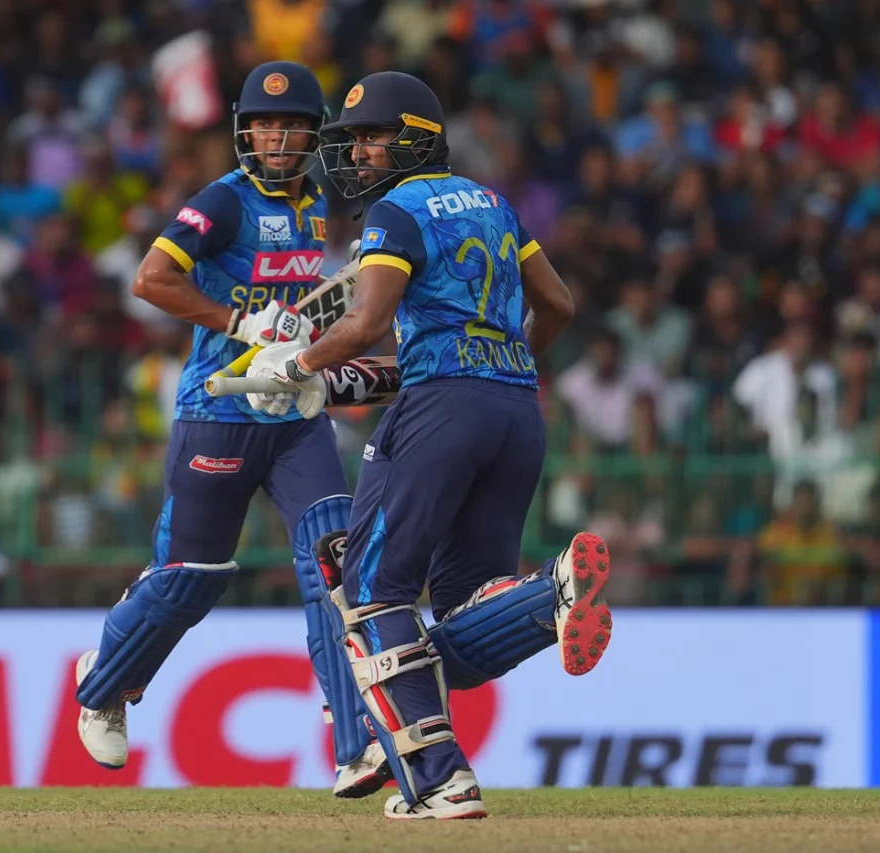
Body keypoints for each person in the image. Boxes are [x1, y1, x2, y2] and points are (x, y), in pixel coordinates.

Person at [248, 71, 614, 819]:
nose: (359, 153)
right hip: (516, 410)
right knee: (458, 609)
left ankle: (441, 778)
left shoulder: (398, 209)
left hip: (443, 411)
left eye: (373, 137)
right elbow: (559, 305)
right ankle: (543, 601)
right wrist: (495, 366)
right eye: (352, 141)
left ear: (417, 136)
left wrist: (298, 361)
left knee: (369, 588)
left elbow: (368, 320)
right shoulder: (495, 203)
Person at [70, 61, 382, 797]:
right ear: (246, 131)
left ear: (313, 134)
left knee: (334, 568)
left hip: (293, 412)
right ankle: (105, 678)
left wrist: (306, 342)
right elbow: (151, 279)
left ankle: (356, 745)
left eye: (293, 124)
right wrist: (243, 321)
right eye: (266, 124)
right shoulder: (226, 201)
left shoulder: (316, 204)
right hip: (219, 410)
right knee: (191, 580)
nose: (278, 137)